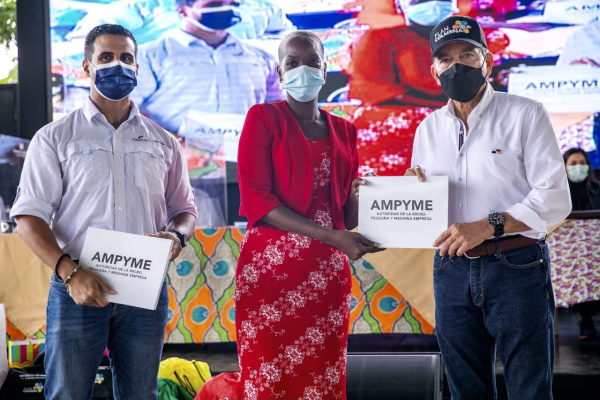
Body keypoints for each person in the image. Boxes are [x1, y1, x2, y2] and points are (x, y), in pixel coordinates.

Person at [10, 24, 197, 400]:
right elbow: (28, 219)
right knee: (67, 393)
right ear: (86, 67)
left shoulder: (163, 141)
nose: (118, 65)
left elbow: (184, 209)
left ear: (138, 67)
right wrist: (70, 273)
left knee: (140, 394)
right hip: (77, 285)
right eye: (106, 57)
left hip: (144, 289)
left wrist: (177, 235)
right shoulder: (55, 137)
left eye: (126, 58)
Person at [406, 16, 571, 399]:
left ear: (488, 61)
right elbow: (426, 205)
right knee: (465, 390)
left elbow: (555, 197)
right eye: (446, 59)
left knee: (529, 389)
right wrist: (405, 192)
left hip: (516, 265)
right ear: (434, 71)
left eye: (467, 54)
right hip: (450, 270)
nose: (456, 66)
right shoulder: (427, 129)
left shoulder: (525, 113)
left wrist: (487, 224)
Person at [234, 30, 384, 400]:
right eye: (292, 62)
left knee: (322, 376)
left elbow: (344, 217)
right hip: (271, 274)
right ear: (280, 72)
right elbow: (257, 200)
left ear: (325, 68)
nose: (303, 69)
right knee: (269, 377)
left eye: (312, 61)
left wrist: (361, 197)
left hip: (325, 275)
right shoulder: (263, 118)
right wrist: (335, 238)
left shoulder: (345, 130)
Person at [131, 0, 284, 133]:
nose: (227, 10)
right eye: (215, 4)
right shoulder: (148, 57)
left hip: (245, 152)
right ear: (183, 10)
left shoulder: (262, 58)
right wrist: (174, 143)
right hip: (171, 154)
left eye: (234, 4)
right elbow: (125, 109)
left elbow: (275, 107)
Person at [563, 147, 600, 340]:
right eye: (573, 164)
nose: (579, 167)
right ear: (564, 167)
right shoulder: (558, 194)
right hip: (571, 253)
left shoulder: (597, 189)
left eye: (582, 163)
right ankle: (585, 319)